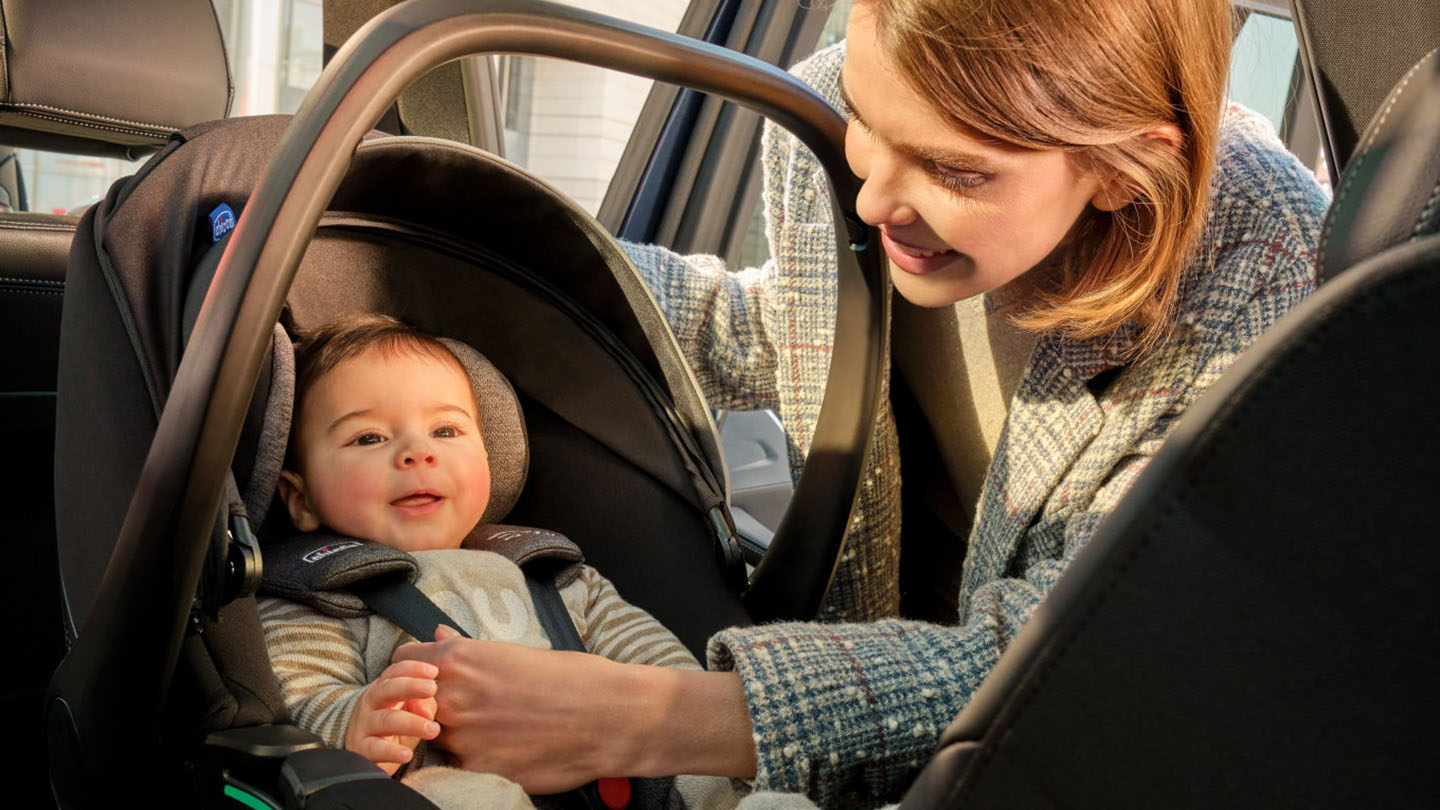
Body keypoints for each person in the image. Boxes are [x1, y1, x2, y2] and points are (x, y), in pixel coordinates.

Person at [394, 0, 1331, 807]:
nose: (874, 195)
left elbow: (1092, 648)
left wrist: (648, 718)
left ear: (1126, 170)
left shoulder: (1261, 275)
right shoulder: (838, 124)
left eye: (955, 171)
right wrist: (479, 254)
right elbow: (789, 332)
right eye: (862, 121)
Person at [257, 314, 736, 810]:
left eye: (445, 430)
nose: (418, 453)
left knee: (710, 775)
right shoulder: (319, 595)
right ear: (301, 498)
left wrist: (694, 713)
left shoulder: (549, 573)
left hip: (620, 780)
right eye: (370, 438)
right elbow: (301, 693)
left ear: (490, 457)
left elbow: (658, 672)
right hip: (439, 779)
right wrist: (355, 721)